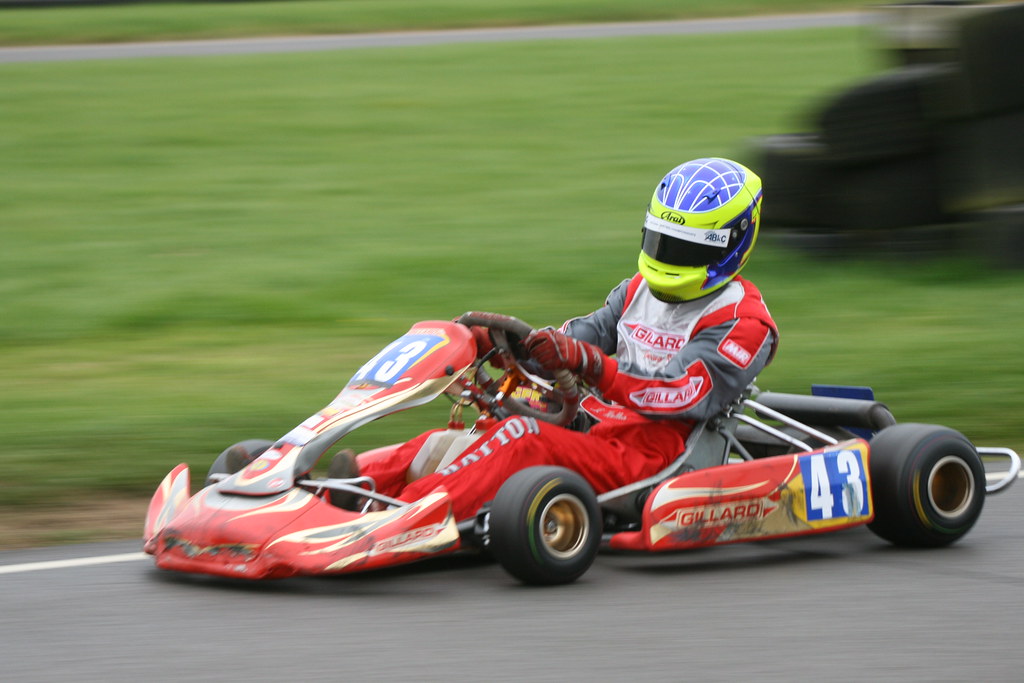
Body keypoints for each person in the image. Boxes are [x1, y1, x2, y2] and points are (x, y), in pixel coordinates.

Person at [339, 158, 778, 521]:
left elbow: (683, 393)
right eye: (662, 242)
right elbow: (572, 342)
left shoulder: (743, 321)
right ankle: (344, 485)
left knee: (523, 437)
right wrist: (505, 348)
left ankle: (404, 517)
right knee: (468, 435)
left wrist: (592, 366)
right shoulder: (634, 293)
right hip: (595, 427)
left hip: (654, 457)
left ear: (730, 245)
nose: (667, 259)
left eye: (685, 249)